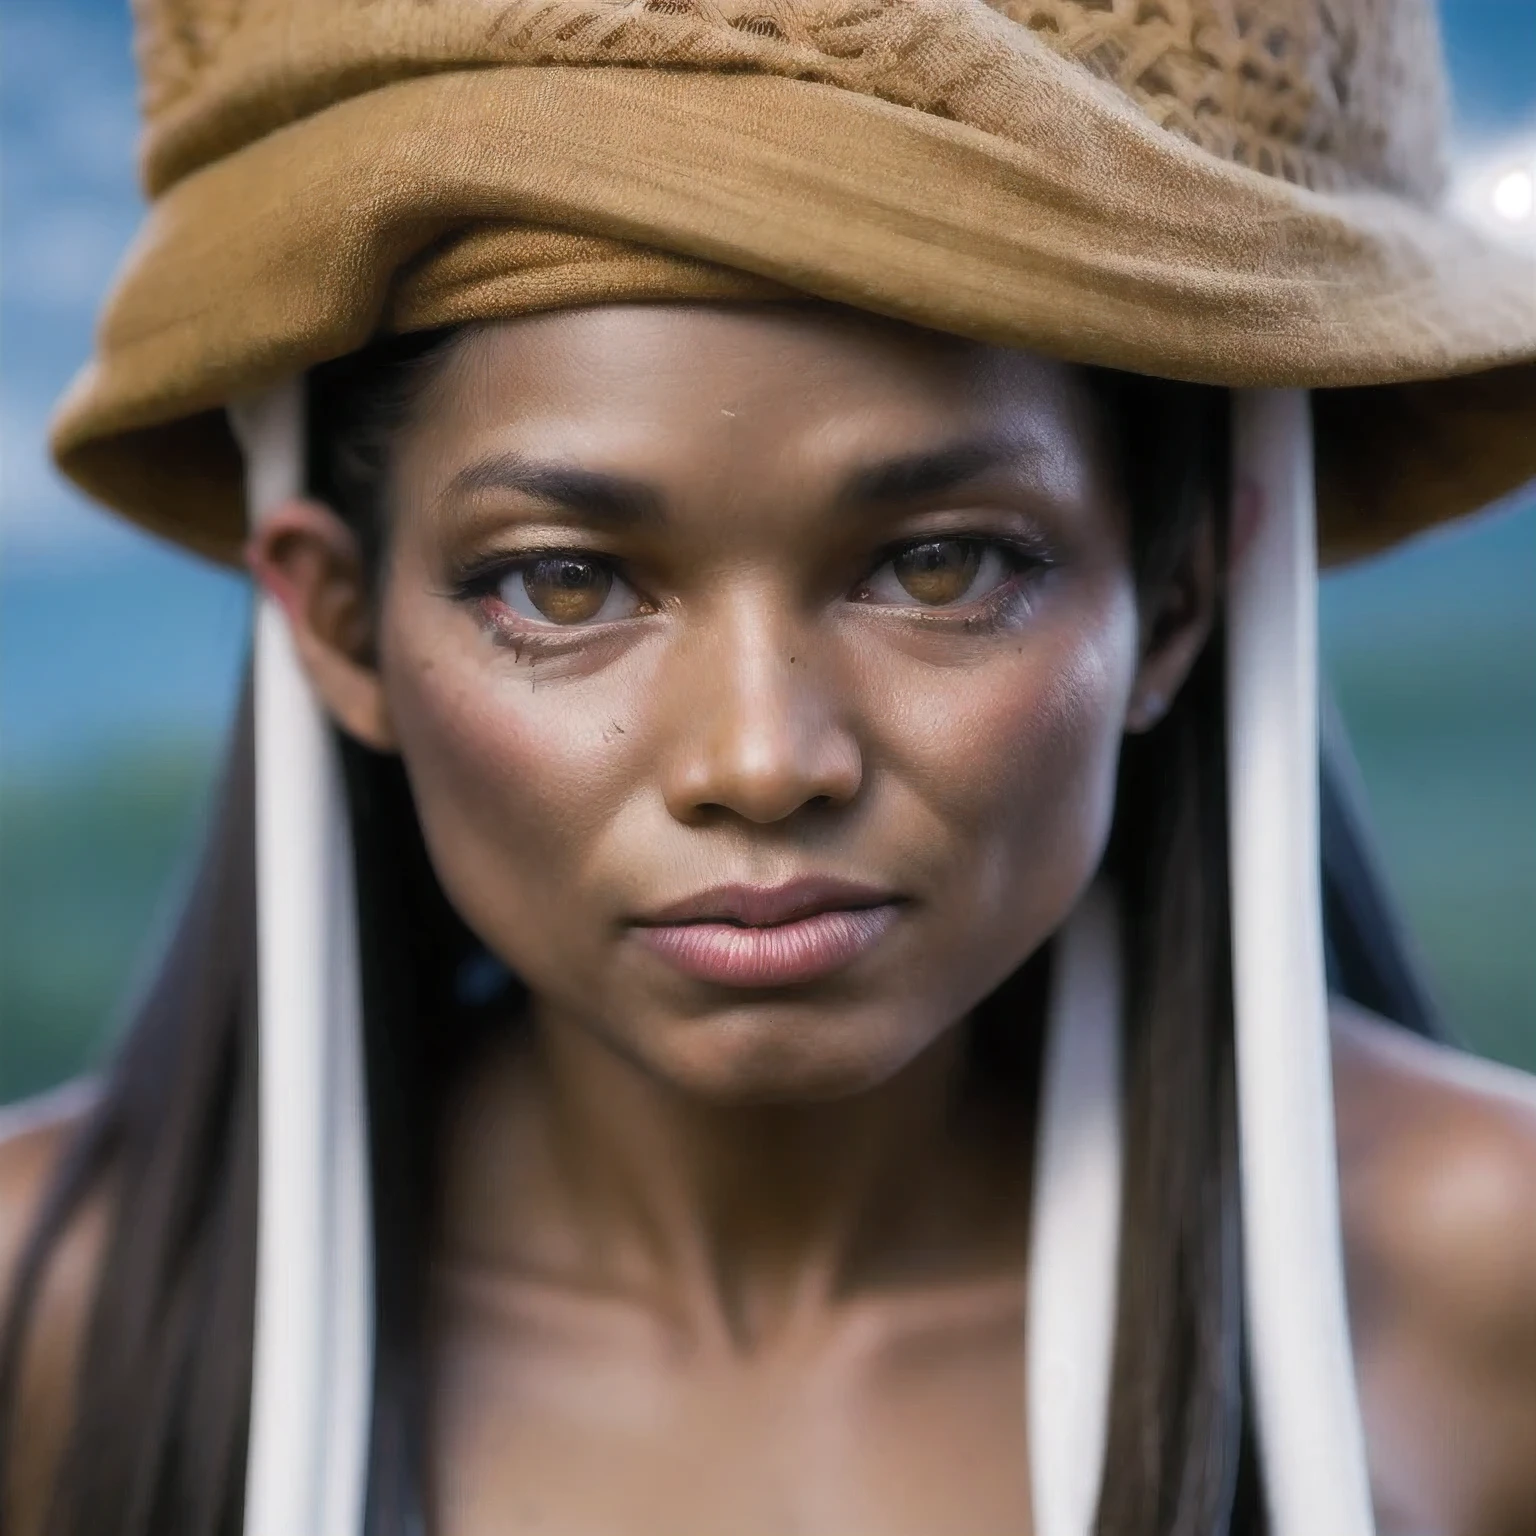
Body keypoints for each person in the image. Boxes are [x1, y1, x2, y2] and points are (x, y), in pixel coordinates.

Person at [2, 3, 1535, 1535]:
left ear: (1178, 598)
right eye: (564, 586)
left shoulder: (1483, 1291)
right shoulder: (48, 1322)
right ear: (339, 629)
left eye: (940, 567)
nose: (761, 760)